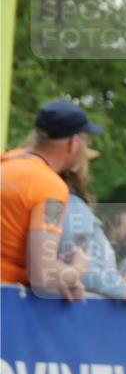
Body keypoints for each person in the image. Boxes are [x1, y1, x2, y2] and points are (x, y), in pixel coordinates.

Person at [1, 101, 101, 300]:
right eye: (86, 141)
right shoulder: (51, 189)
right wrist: (76, 269)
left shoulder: (6, 161)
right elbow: (42, 274)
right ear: (73, 142)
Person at [53, 148, 126, 302]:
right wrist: (124, 288)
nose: (89, 172)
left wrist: (119, 282)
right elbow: (82, 270)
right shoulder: (72, 205)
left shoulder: (64, 203)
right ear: (76, 166)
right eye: (86, 162)